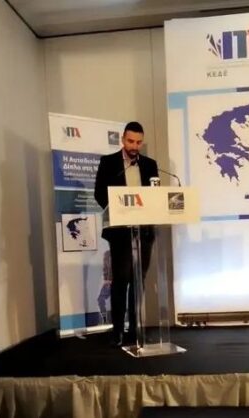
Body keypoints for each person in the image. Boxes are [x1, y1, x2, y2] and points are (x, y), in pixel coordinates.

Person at [94, 121, 158, 347]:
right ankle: (118, 330)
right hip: (120, 231)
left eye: (139, 142)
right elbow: (99, 193)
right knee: (121, 281)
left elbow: (155, 196)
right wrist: (120, 209)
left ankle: (135, 330)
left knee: (138, 282)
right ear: (122, 139)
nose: (134, 146)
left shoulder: (150, 165)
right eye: (131, 141)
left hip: (144, 230)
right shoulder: (109, 162)